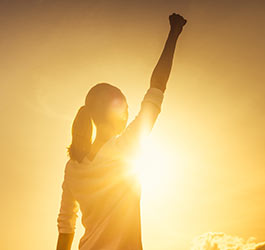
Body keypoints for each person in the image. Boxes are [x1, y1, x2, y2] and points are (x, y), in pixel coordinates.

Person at [56, 13, 187, 250]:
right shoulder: (125, 148)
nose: (128, 114)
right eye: (125, 108)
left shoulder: (73, 167)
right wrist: (174, 33)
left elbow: (66, 227)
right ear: (115, 113)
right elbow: (157, 88)